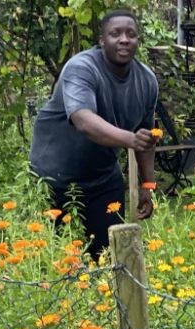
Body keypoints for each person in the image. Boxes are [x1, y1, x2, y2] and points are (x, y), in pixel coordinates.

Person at [29, 10, 159, 261]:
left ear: (138, 41)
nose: (124, 39)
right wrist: (129, 139)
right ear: (102, 41)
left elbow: (145, 139)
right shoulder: (81, 68)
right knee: (59, 260)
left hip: (102, 179)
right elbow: (83, 120)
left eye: (131, 34)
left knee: (109, 255)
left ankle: (110, 298)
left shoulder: (147, 81)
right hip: (54, 178)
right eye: (115, 34)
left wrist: (148, 185)